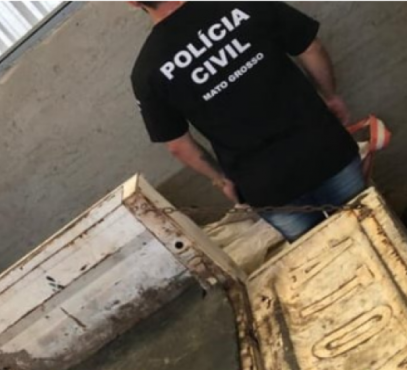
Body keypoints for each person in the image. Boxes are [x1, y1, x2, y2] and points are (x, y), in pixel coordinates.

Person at [130, 1, 365, 242]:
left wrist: (221, 180)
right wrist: (330, 96)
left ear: (132, 2)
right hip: (324, 148)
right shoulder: (240, 3)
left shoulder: (146, 71)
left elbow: (178, 146)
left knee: (323, 255)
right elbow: (311, 48)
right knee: (371, 229)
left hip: (265, 185)